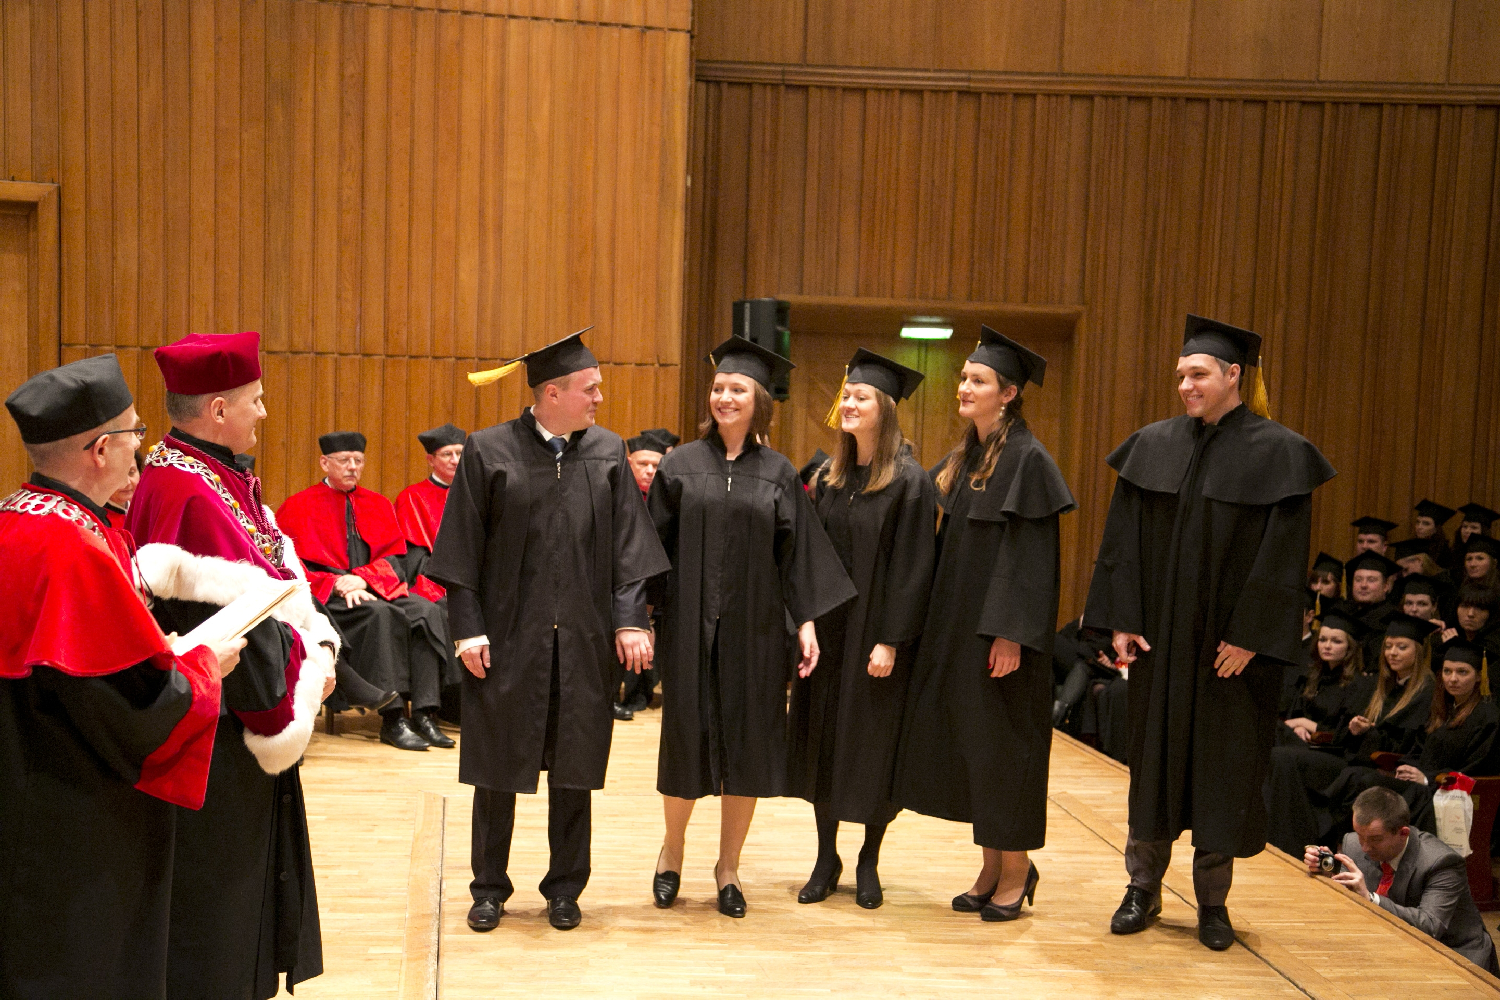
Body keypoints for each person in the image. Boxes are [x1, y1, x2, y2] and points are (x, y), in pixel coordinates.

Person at [1083, 314, 1335, 950]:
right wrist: (1123, 619)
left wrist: (1252, 634)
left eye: (1197, 375)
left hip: (1231, 651)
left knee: (1223, 770)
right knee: (1153, 765)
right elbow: (1122, 541)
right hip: (1163, 644)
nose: (1185, 387)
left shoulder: (1279, 453)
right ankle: (1141, 888)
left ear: (1233, 375)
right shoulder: (1153, 444)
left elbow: (1283, 557)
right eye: (1180, 376)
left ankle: (1212, 903)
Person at [0, 355, 239, 999]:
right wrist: (204, 667)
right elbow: (131, 711)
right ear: (101, 449)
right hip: (77, 817)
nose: (143, 445)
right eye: (135, 431)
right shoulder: (73, 547)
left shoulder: (15, 518)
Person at [427, 330, 670, 933]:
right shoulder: (488, 450)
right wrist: (468, 631)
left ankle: (565, 888)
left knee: (574, 769)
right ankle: (489, 888)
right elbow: (461, 549)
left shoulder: (607, 452)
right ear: (553, 393)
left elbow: (629, 547)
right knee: (496, 769)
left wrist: (630, 619)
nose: (599, 398)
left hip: (583, 639)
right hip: (507, 640)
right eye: (590, 389)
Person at [129, 331, 338, 999]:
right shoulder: (188, 492)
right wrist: (309, 675)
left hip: (226, 727)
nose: (264, 413)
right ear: (219, 409)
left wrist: (314, 646)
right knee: (216, 925)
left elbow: (277, 585)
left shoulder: (209, 474)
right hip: (218, 742)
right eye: (257, 400)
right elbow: (244, 630)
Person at [647, 335, 855, 918]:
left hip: (756, 633)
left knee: (746, 746)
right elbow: (651, 548)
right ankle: (671, 852)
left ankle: (728, 868)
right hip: (689, 628)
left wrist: (806, 622)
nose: (724, 397)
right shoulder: (680, 464)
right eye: (718, 388)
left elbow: (797, 556)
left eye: (737, 389)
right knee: (686, 741)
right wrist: (646, 616)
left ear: (759, 399)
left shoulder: (779, 472)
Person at [891, 329, 1074, 923]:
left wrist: (1011, 633)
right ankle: (992, 867)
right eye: (963, 379)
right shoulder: (968, 455)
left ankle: (1015, 871)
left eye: (978, 380)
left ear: (1009, 393)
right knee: (976, 749)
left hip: (1002, 637)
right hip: (960, 629)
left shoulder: (1028, 459)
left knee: (1005, 751)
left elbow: (1032, 560)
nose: (964, 388)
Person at [788, 349, 937, 910]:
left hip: (877, 637)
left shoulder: (910, 482)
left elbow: (915, 567)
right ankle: (826, 858)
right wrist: (806, 619)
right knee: (824, 744)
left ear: (886, 409)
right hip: (829, 635)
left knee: (874, 747)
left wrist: (891, 640)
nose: (848, 403)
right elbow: (808, 555)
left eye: (861, 397)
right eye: (846, 395)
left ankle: (869, 858)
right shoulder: (830, 477)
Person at [277, 431, 457, 751]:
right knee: (380, 615)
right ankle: (393, 717)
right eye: (344, 460)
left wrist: (363, 579)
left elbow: (397, 559)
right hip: (330, 597)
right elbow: (291, 566)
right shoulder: (298, 505)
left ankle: (425, 713)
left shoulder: (377, 504)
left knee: (426, 611)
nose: (352, 467)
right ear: (325, 463)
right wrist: (336, 584)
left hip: (374, 585)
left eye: (358, 461)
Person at [1264, 613, 1438, 855]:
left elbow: (1408, 746)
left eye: (1401, 647)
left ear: (1418, 651)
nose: (1392, 653)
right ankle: (1281, 842)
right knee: (1279, 755)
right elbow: (1342, 737)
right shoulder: (1376, 686)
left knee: (1288, 759)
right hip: (1351, 758)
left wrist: (1371, 733)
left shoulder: (1426, 692)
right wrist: (1354, 729)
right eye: (1388, 646)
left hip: (1375, 767)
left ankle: (1300, 843)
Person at [1306, 786, 1498, 973]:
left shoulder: (1441, 862)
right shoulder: (1352, 843)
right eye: (1360, 836)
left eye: (1375, 839)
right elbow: (1351, 892)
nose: (1364, 847)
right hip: (1394, 947)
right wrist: (1328, 872)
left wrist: (1371, 898)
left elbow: (1430, 926)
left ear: (1403, 833)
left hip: (1453, 955)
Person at [1322, 638, 1498, 838]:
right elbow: (1419, 750)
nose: (1453, 679)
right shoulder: (1443, 710)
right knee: (1353, 774)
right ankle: (1332, 835)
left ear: (1479, 676)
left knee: (1367, 782)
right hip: (1422, 787)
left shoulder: (1488, 717)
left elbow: (1477, 772)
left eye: (1462, 672)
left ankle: (1341, 839)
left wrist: (1426, 778)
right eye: (1447, 671)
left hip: (1444, 794)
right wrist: (1405, 768)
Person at [395, 423, 467, 599]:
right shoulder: (412, 497)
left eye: (459, 453)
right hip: (433, 579)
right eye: (447, 454)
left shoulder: (477, 492)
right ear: (430, 460)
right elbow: (413, 557)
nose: (455, 460)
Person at [1346, 550, 1400, 639]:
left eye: (1371, 580)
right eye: (1358, 580)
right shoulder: (1344, 615)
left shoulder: (1394, 620)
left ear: (1386, 586)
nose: (1363, 585)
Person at [1411, 499, 1457, 567]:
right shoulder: (1410, 547)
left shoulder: (1443, 553)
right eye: (1418, 522)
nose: (1419, 527)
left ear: (1436, 529)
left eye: (1426, 523)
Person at [104, 449, 143, 528]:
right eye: (118, 475)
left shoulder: (143, 509)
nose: (127, 483)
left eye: (131, 472)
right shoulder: (97, 519)